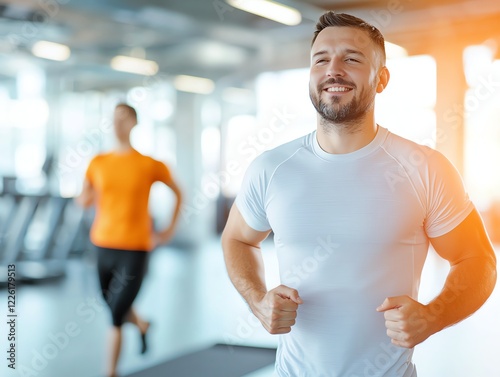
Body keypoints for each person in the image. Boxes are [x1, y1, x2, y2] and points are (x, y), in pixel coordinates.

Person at [221, 11, 497, 377]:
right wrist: (258, 300)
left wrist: (433, 316)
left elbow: (478, 261)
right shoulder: (271, 168)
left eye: (351, 58)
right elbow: (237, 239)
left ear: (381, 78)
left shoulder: (424, 167)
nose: (333, 69)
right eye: (321, 59)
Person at [77, 103, 182, 377]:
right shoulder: (98, 162)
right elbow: (84, 198)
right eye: (114, 118)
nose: (118, 123)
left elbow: (178, 193)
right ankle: (144, 324)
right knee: (112, 304)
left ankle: (110, 372)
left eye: (123, 118)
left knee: (115, 316)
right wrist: (84, 198)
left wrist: (169, 230)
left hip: (135, 248)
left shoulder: (149, 164)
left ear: (134, 123)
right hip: (101, 243)